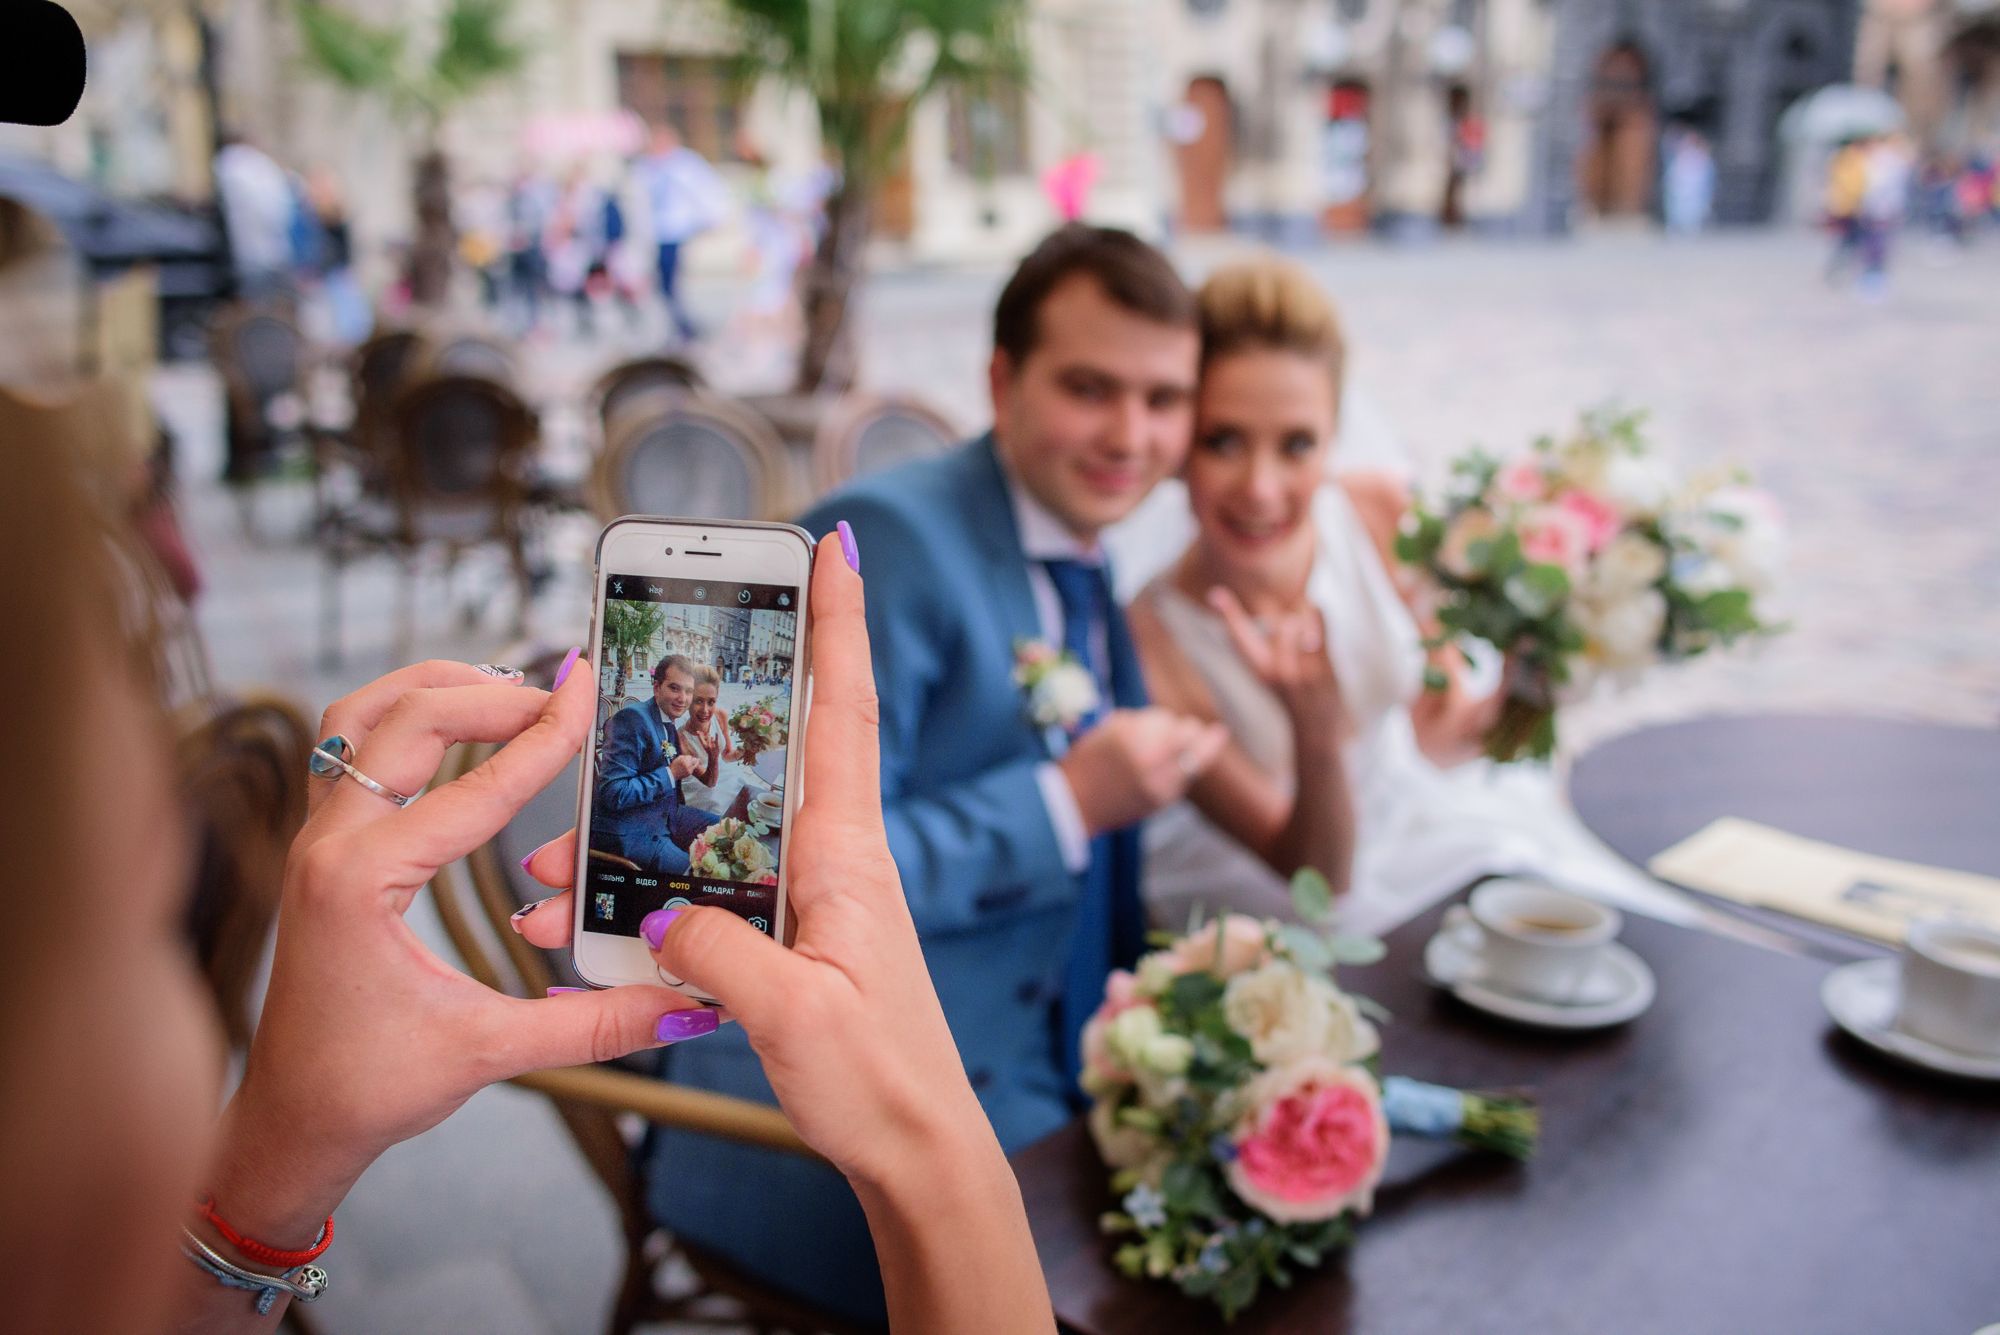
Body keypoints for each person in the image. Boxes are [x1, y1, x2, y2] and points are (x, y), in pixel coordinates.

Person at [0, 427, 1054, 1333]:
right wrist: (939, 1162)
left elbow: (672, 795)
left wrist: (268, 1167)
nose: (230, 965)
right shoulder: (642, 715)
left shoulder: (683, 721)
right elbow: (637, 795)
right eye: (155, 918)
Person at [643, 224, 1227, 1323]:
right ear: (1001, 381)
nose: (1130, 435)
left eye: (1162, 400)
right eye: (1089, 389)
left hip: (1044, 1047)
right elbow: (761, 871)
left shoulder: (1082, 548)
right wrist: (1066, 804)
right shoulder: (880, 547)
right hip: (836, 1119)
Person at [1129, 254, 1685, 937]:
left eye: (1297, 444)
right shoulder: (1151, 643)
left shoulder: (1379, 512)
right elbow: (1319, 881)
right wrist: (1316, 730)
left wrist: (1535, 674)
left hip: (1422, 825)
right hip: (1290, 898)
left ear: (1335, 436)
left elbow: (1437, 736)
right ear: (1182, 444)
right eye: (1224, 442)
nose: (1261, 487)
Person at [592, 654, 721, 875]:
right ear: (656, 687)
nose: (683, 698)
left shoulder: (667, 721)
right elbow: (613, 793)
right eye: (674, 688)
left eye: (688, 691)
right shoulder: (631, 719)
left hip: (665, 814)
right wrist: (671, 774)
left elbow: (706, 780)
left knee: (722, 830)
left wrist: (712, 756)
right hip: (631, 830)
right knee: (695, 872)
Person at [635, 124, 728, 343]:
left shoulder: (685, 164)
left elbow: (705, 192)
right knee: (661, 282)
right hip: (656, 234)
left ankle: (684, 326)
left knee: (674, 280)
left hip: (676, 231)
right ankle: (677, 324)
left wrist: (709, 220)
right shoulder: (647, 167)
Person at [1661, 127, 1714, 237]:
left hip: (1694, 189)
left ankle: (1691, 229)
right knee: (1677, 208)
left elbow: (1706, 176)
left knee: (1693, 210)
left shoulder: (1701, 157)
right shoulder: (1679, 157)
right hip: (1681, 188)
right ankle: (1675, 229)